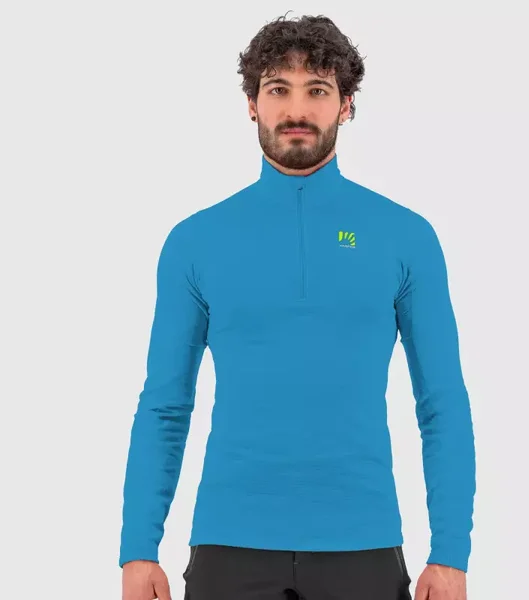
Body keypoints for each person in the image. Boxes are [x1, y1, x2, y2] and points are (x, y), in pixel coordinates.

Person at [120, 13, 476, 600]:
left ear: (346, 105)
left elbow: (442, 403)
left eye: (317, 90)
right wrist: (139, 547)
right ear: (252, 104)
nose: (296, 109)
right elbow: (164, 404)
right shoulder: (195, 242)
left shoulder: (405, 237)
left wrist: (451, 552)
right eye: (278, 88)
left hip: (362, 546)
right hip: (228, 546)